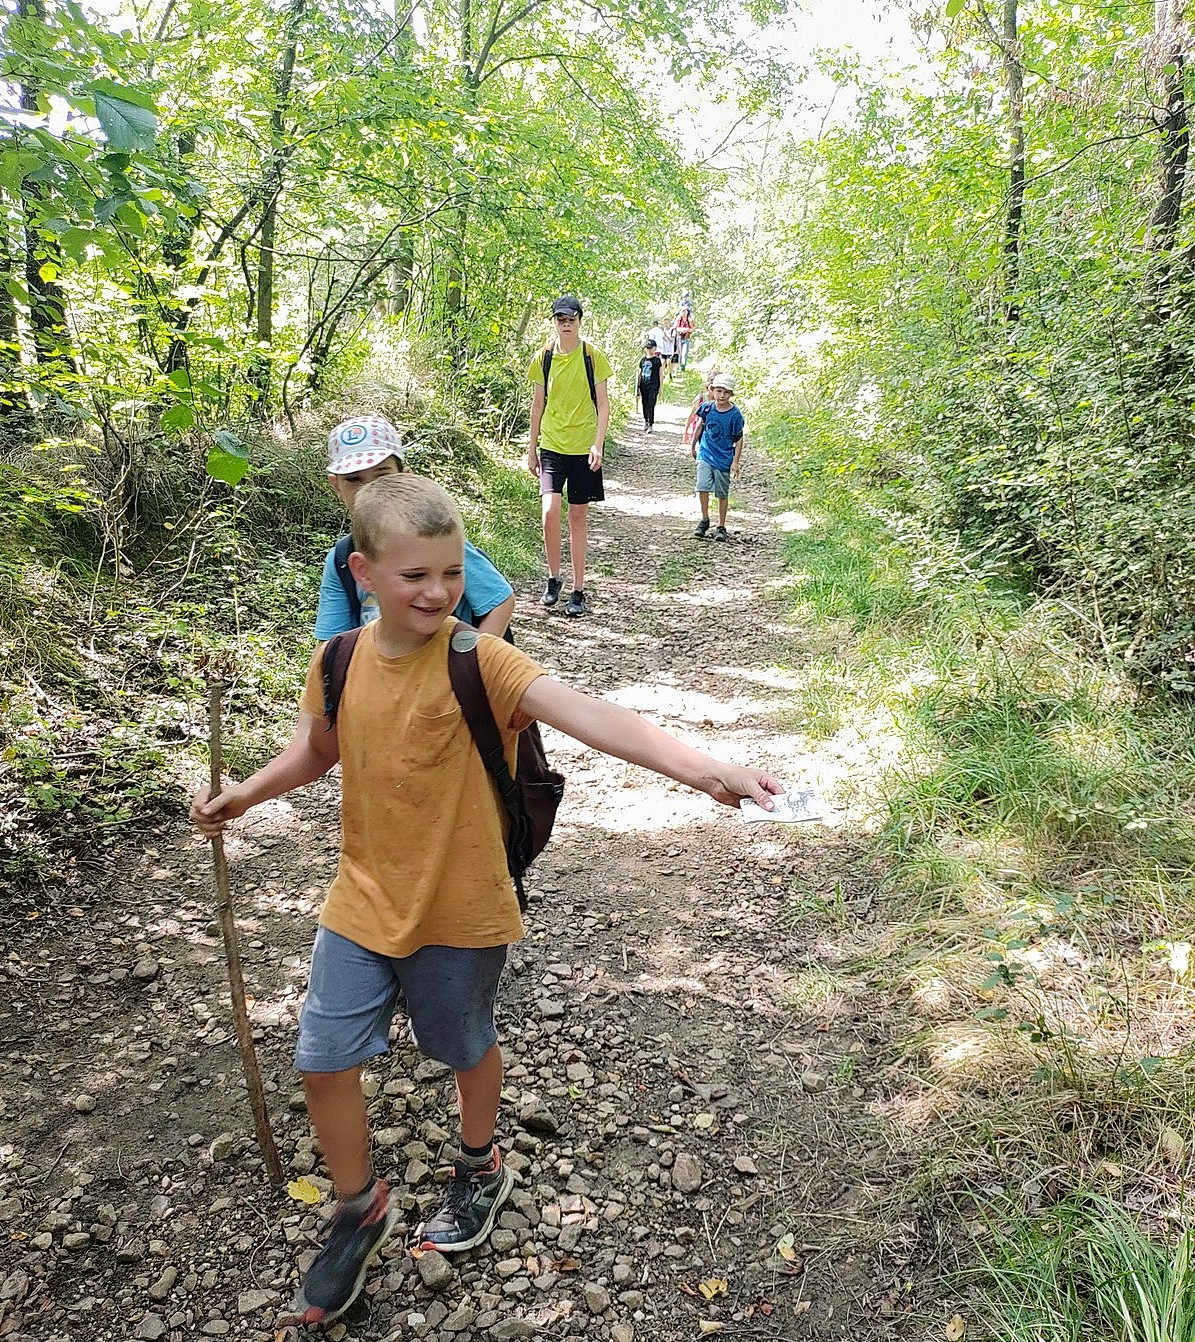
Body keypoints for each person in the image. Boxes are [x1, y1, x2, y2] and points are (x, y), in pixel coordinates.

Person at [190, 474, 781, 1325]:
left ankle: (479, 1164)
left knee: (463, 1046)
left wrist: (705, 768)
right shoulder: (338, 659)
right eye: (414, 576)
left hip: (462, 905)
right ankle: (357, 1208)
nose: (437, 593)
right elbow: (316, 751)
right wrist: (244, 795)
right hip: (361, 898)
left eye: (451, 572)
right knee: (322, 1061)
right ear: (363, 572)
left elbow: (592, 715)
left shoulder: (480, 659)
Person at [315, 414, 515, 641]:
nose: (369, 488)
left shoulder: (435, 543)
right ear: (336, 485)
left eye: (383, 475)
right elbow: (330, 642)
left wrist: (474, 656)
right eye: (354, 479)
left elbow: (500, 601)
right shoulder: (341, 559)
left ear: (404, 476)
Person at [526, 295, 611, 619]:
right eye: (560, 319)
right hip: (552, 445)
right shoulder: (544, 357)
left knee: (577, 517)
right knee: (549, 512)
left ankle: (578, 589)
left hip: (583, 447)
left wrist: (598, 444)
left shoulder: (592, 357)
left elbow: (603, 404)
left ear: (579, 321)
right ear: (554, 322)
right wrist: (531, 447)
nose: (565, 324)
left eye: (570, 319)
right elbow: (538, 404)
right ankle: (553, 579)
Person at [691, 373, 745, 541]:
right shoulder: (707, 408)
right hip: (705, 454)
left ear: (731, 394)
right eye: (719, 391)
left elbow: (739, 438)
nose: (722, 395)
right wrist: (693, 445)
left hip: (723, 458)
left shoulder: (735, 415)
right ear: (712, 390)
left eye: (726, 392)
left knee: (722, 493)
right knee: (702, 486)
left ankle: (721, 526)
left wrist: (735, 461)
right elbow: (700, 426)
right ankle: (704, 519)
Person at [682, 370, 718, 450]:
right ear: (708, 386)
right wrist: (686, 432)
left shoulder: (721, 401)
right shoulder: (701, 399)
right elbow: (691, 415)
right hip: (701, 431)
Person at [636, 338, 663, 433]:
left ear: (654, 348)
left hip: (653, 385)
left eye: (650, 348)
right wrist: (637, 388)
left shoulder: (657, 361)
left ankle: (650, 423)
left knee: (651, 404)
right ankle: (646, 421)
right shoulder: (642, 361)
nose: (648, 350)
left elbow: (660, 375)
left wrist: (661, 388)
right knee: (644, 404)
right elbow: (639, 374)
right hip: (643, 385)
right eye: (647, 348)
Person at [674, 303, 695, 371]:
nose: (684, 312)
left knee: (684, 352)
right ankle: (679, 366)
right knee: (679, 352)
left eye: (685, 311)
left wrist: (686, 330)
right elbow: (675, 328)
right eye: (683, 311)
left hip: (686, 338)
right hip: (679, 338)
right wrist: (682, 329)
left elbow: (692, 329)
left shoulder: (690, 320)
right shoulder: (678, 319)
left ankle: (683, 365)